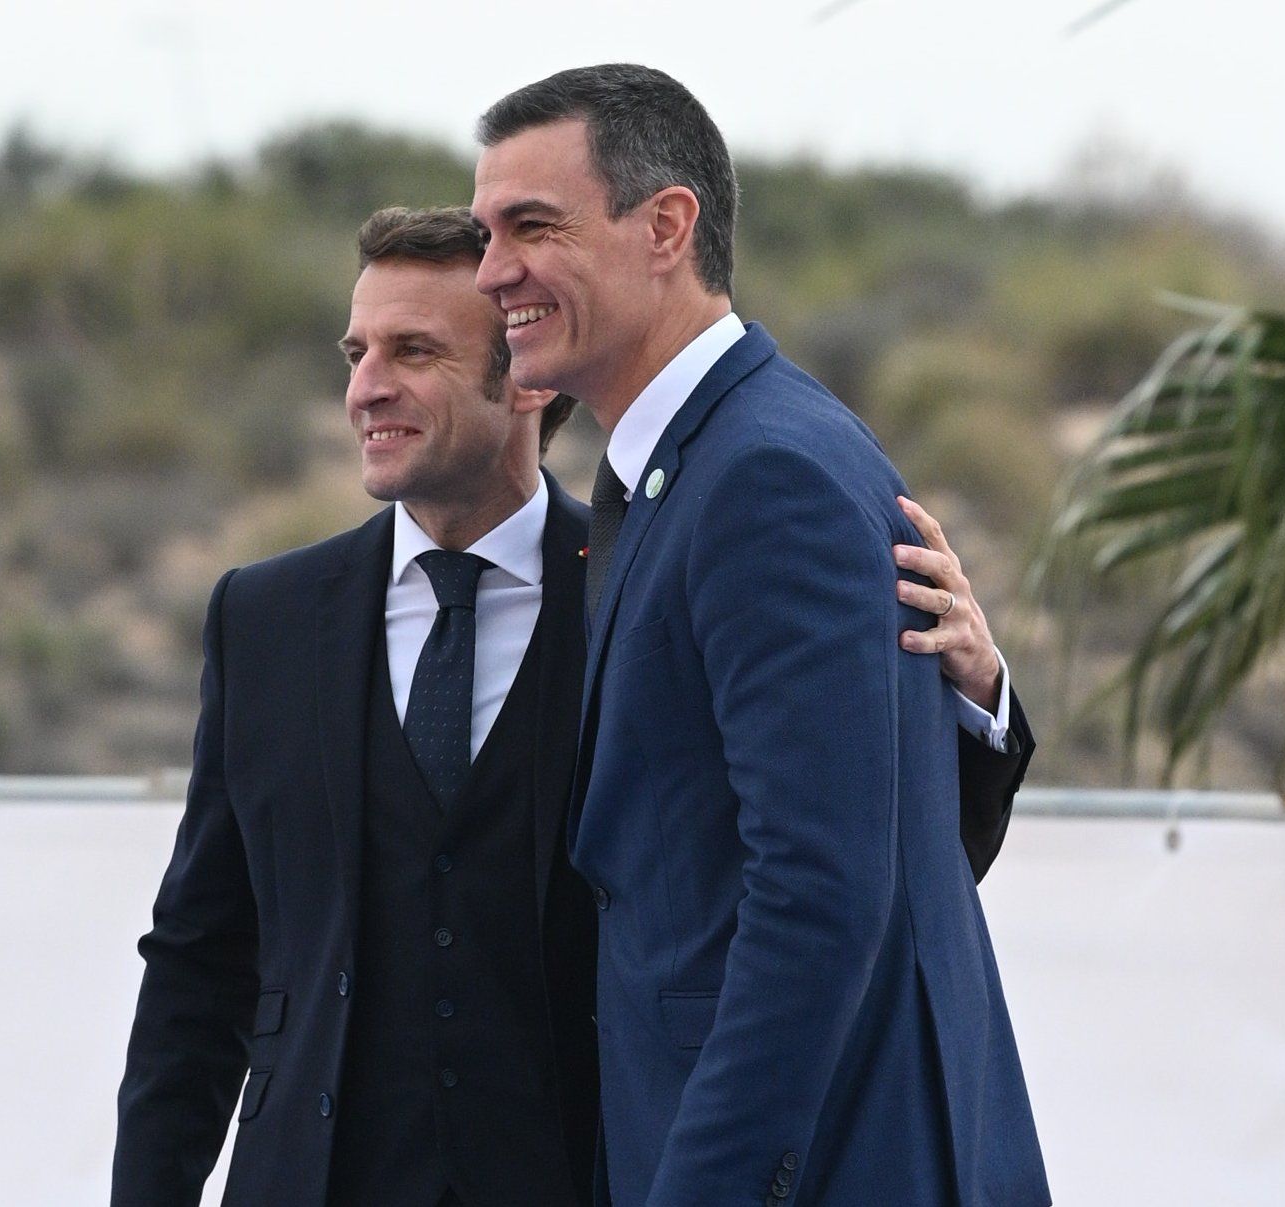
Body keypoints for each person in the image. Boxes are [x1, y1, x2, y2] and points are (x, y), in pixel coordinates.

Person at [111, 204, 1034, 1207]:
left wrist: (973, 698)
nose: (364, 387)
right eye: (355, 351)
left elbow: (850, 865)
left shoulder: (654, 586)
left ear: (528, 374)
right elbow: (200, 964)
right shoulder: (265, 618)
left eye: (412, 350)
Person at [469, 66, 1049, 1206]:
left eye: (531, 227)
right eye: (488, 233)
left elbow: (820, 893)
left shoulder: (763, 476)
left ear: (666, 228)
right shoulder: (679, 473)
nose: (493, 272)